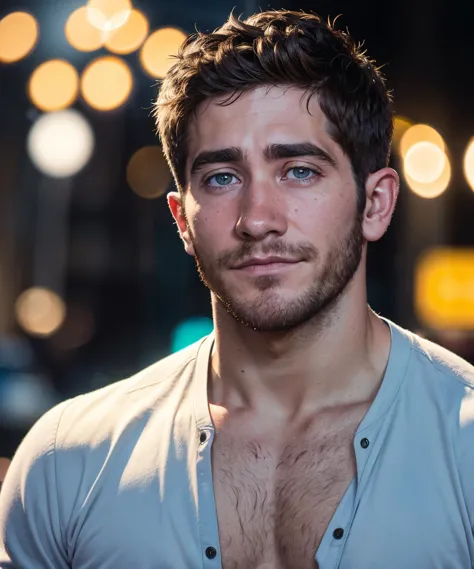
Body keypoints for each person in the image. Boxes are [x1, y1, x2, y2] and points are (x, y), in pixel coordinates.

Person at [1, 8, 474, 569]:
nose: (257, 218)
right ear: (182, 220)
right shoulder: (71, 460)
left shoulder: (463, 443)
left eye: (299, 170)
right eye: (222, 177)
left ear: (376, 203)